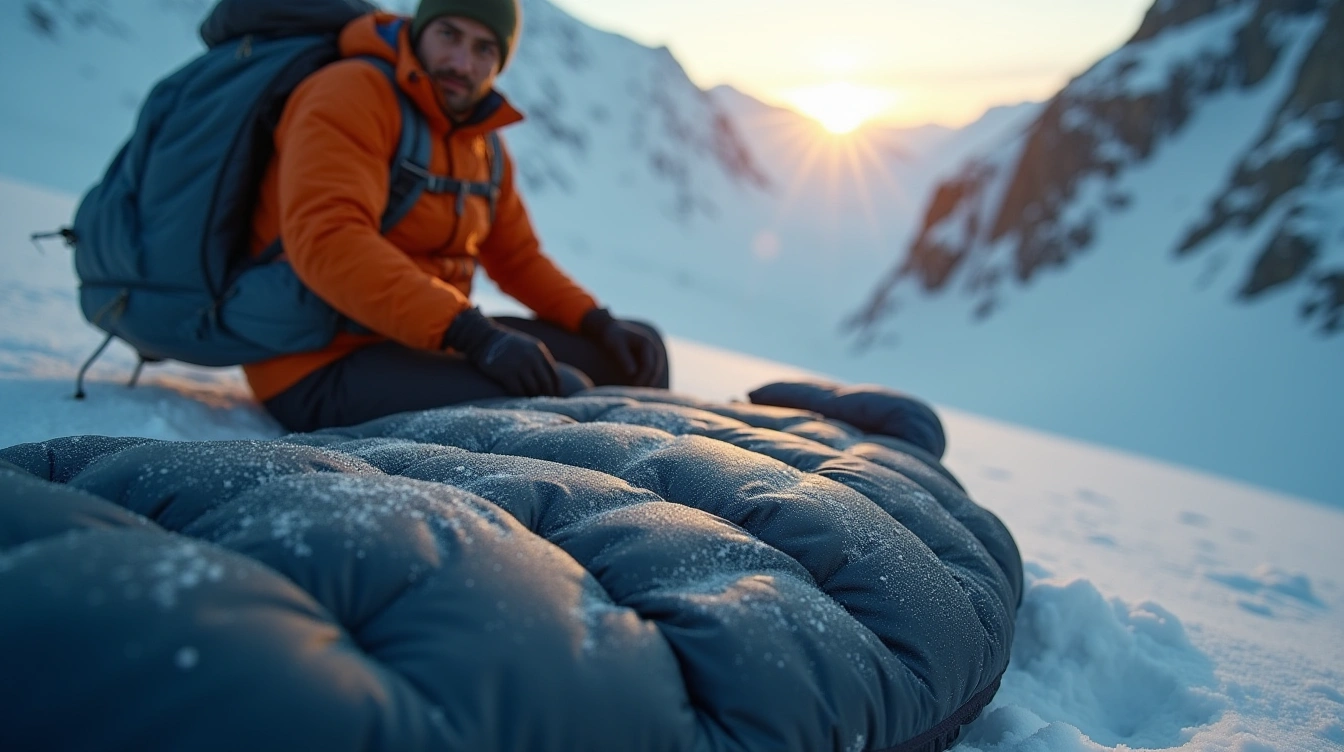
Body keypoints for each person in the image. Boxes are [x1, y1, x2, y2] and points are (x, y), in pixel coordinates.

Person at [245, 0, 668, 432]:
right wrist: (473, 335)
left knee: (637, 353)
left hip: (427, 339)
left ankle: (659, 489)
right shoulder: (350, 93)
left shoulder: (481, 144)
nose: (462, 63)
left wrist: (596, 321)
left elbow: (517, 259)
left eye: (485, 49)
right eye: (449, 35)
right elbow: (329, 240)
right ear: (418, 31)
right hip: (317, 361)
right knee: (559, 396)